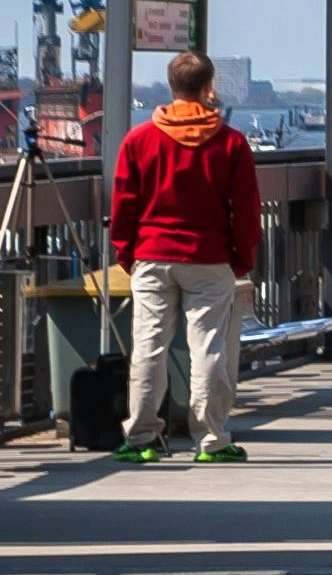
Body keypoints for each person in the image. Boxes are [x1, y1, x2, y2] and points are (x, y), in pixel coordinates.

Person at [109, 51, 262, 464]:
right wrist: (241, 258)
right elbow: (246, 210)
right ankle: (211, 440)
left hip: (152, 257)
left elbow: (124, 205)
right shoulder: (231, 143)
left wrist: (126, 252)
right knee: (208, 348)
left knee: (148, 346)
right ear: (209, 88)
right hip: (209, 259)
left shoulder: (139, 141)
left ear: (170, 86)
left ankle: (140, 438)